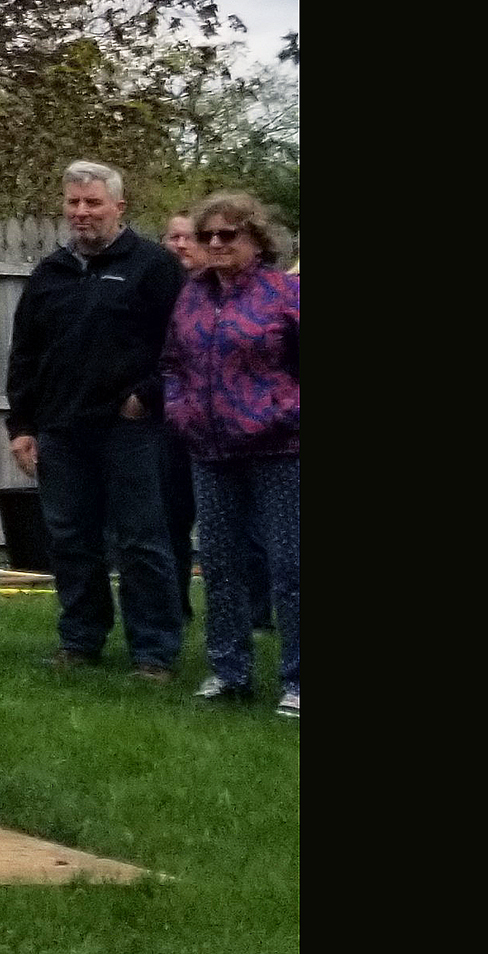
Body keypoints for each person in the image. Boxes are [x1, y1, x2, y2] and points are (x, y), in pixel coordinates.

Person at [5, 160, 186, 680]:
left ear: (119, 208)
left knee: (141, 541)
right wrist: (21, 425)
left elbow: (179, 346)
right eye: (73, 203)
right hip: (61, 429)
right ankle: (80, 641)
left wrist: (146, 396)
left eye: (93, 203)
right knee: (70, 540)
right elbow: (25, 354)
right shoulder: (49, 274)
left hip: (132, 430)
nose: (82, 213)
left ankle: (154, 652)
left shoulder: (152, 267)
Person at [164, 193, 300, 719]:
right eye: (207, 235)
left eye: (229, 235)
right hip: (210, 450)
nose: (216, 244)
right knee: (220, 564)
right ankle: (228, 672)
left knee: (291, 568)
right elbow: (173, 362)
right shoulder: (191, 297)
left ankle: (297, 680)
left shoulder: (284, 294)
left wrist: (282, 412)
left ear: (256, 241)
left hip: (279, 449)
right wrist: (179, 411)